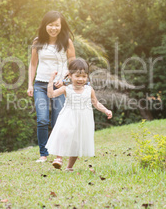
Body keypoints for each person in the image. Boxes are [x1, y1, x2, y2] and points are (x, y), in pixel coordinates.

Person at [45, 59, 113, 171]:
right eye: (77, 76)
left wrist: (106, 110)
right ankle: (59, 158)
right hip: (68, 116)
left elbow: (96, 103)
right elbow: (51, 95)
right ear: (70, 76)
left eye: (84, 76)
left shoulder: (89, 90)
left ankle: (69, 167)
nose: (81, 79)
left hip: (83, 119)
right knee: (63, 132)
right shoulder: (66, 89)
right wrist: (51, 80)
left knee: (77, 142)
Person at [27, 11, 75, 163]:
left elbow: (72, 66)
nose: (53, 28)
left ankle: (59, 154)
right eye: (50, 25)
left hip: (58, 86)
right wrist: (29, 84)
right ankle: (43, 154)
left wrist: (65, 81)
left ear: (61, 26)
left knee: (57, 120)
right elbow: (33, 64)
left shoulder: (66, 42)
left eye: (56, 25)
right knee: (42, 119)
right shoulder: (37, 42)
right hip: (40, 85)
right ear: (45, 25)